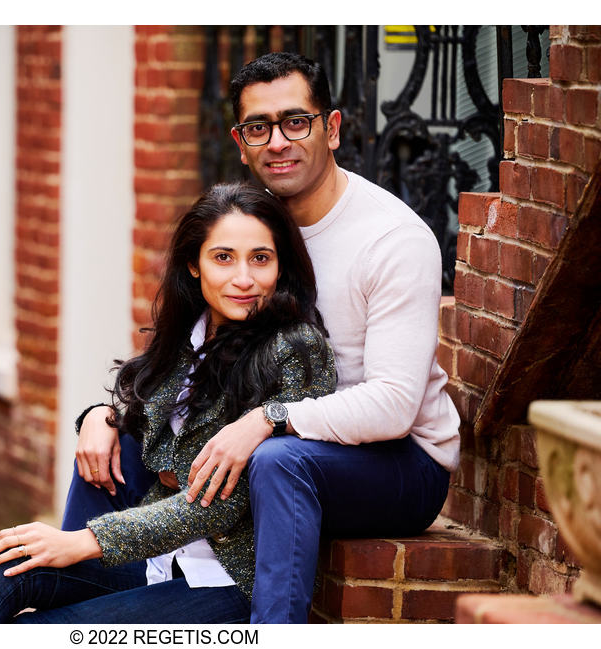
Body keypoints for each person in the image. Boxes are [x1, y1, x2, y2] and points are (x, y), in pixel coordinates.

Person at [0, 182, 336, 623]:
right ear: (194, 266)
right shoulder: (191, 337)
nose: (243, 279)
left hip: (225, 579)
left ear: (280, 265)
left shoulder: (296, 348)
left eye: (260, 258)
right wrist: (100, 417)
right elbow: (142, 414)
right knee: (7, 566)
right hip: (158, 562)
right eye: (223, 257)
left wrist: (84, 541)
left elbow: (223, 501)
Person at [179, 51, 462, 623]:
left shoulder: (391, 239)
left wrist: (267, 418)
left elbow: (393, 405)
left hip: (401, 464)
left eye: (295, 122)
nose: (277, 141)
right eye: (259, 127)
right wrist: (105, 416)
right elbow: (194, 347)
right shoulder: (255, 228)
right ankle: (73, 583)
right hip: (289, 445)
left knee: (279, 462)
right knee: (113, 445)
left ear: (330, 129)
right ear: (242, 142)